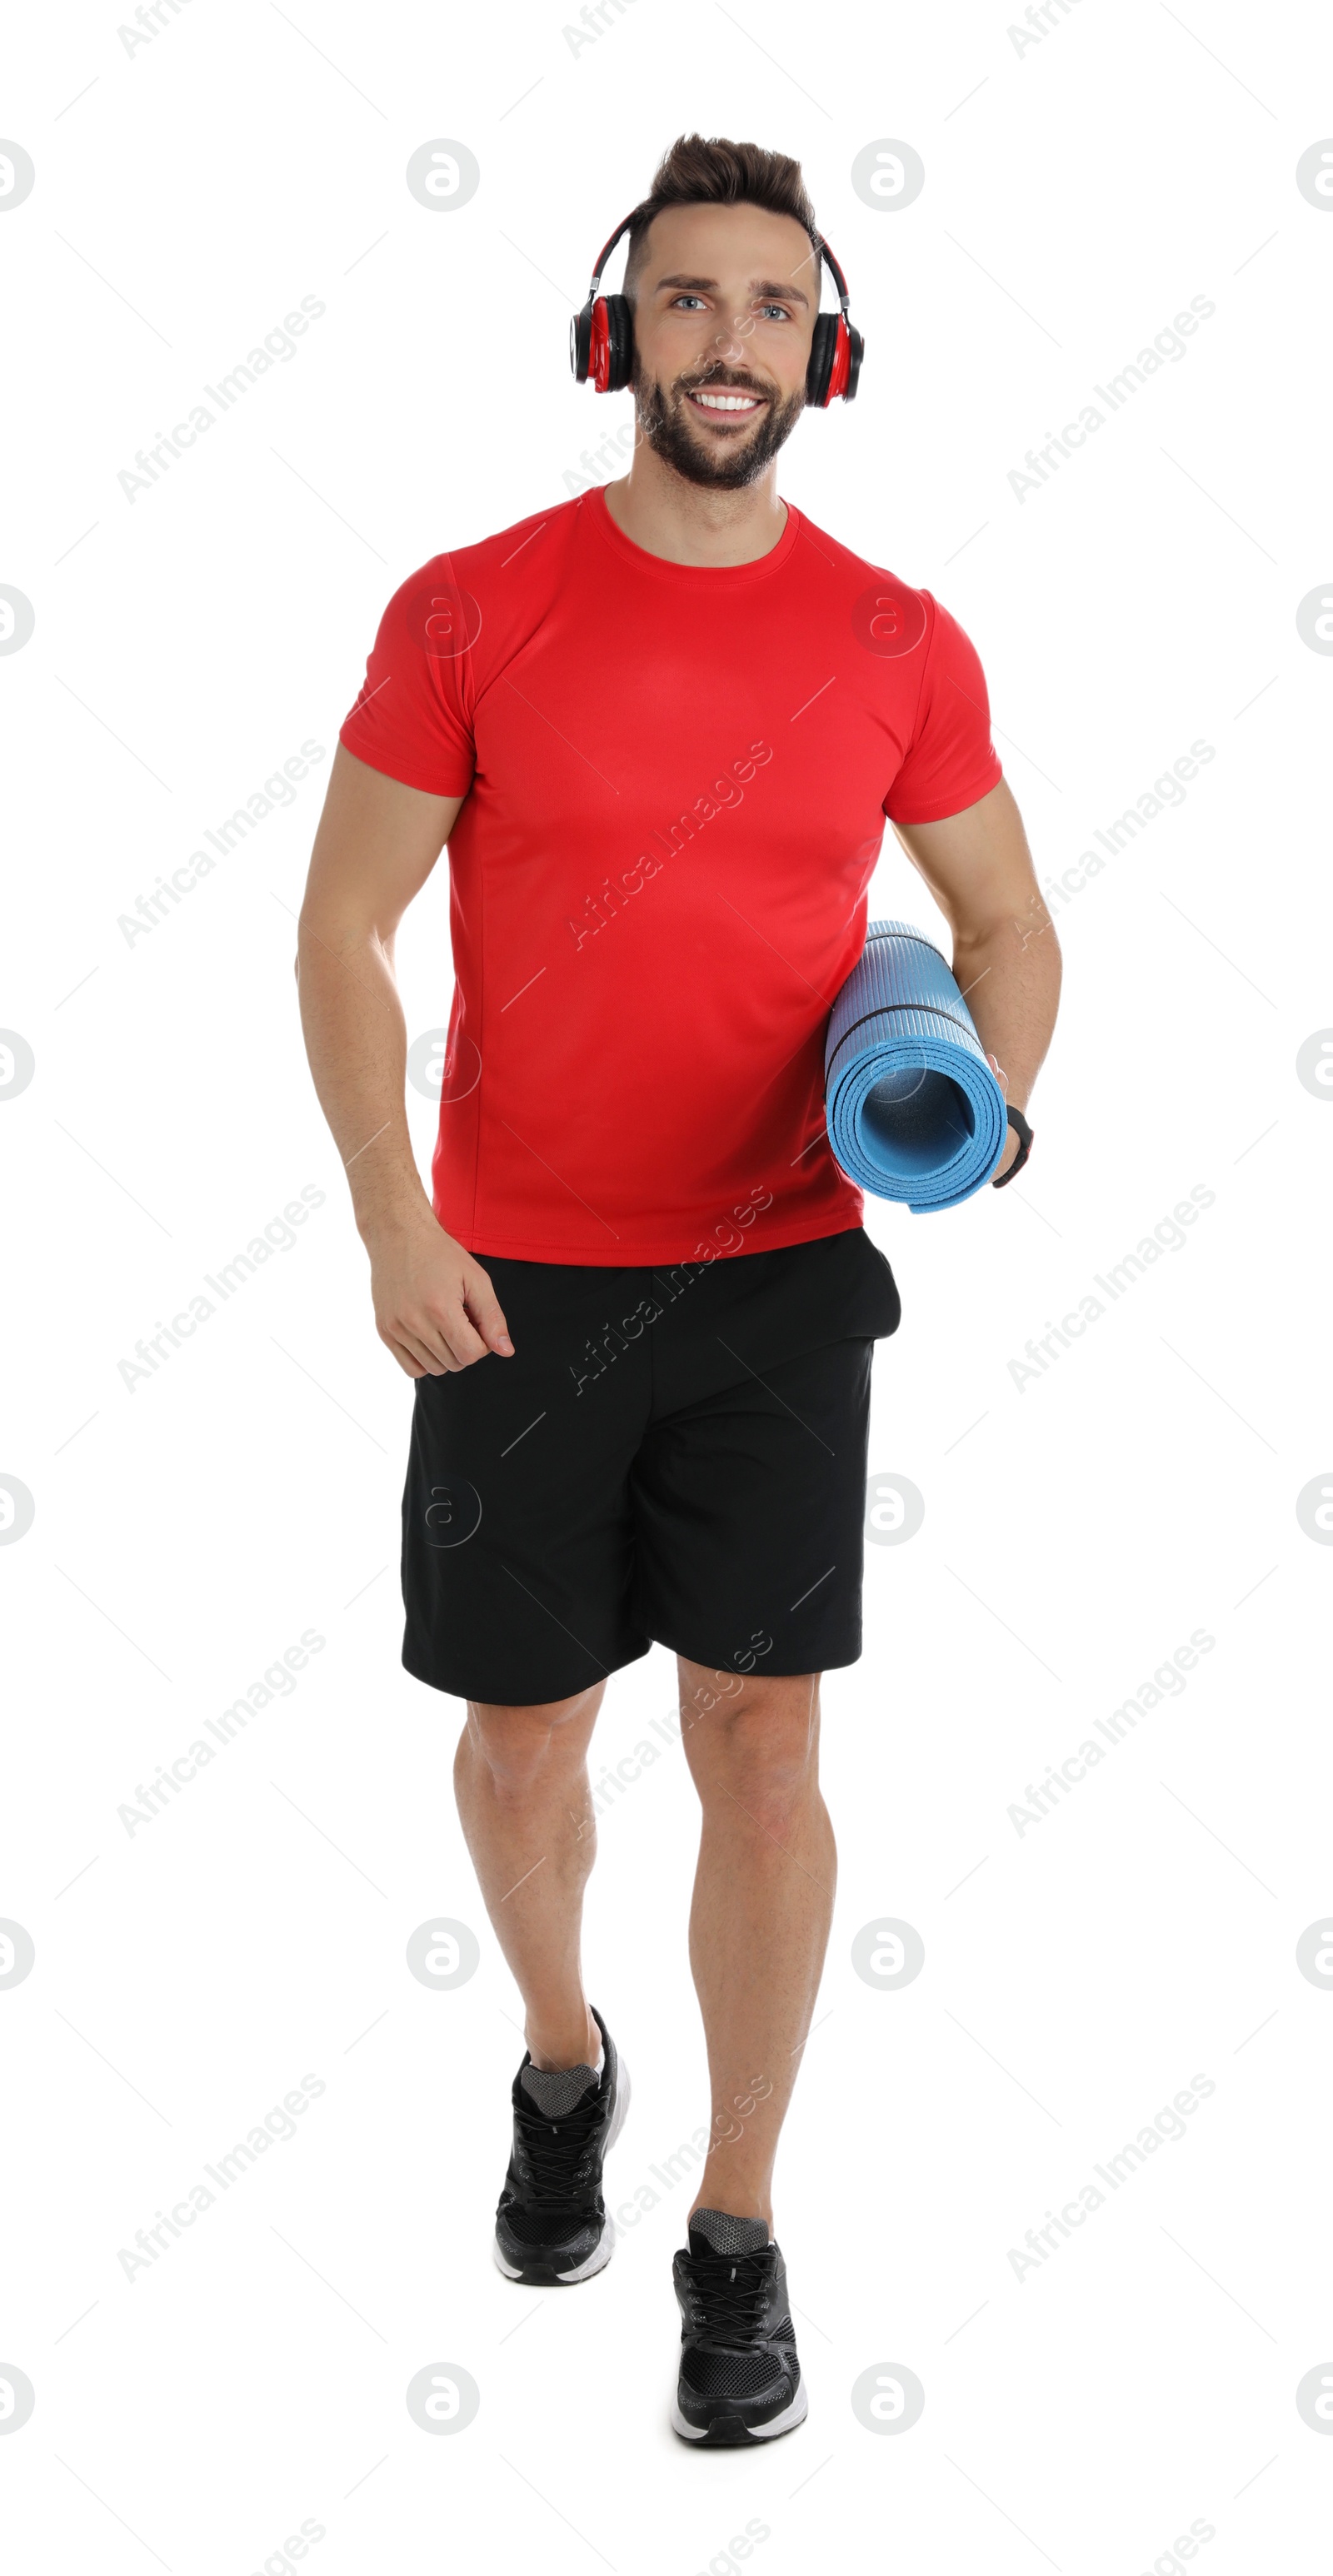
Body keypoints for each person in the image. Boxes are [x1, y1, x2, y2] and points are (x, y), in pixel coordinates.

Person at [297, 131, 1061, 2446]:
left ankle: (735, 2232)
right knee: (523, 1744)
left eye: (767, 305)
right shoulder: (465, 610)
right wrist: (388, 1220)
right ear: (616, 330)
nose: (725, 343)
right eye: (688, 299)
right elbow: (341, 930)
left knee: (766, 1737)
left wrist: (982, 1103)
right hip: (509, 1284)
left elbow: (1011, 919)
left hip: (777, 1285)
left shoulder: (895, 642)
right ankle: (562, 2064)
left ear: (825, 350)